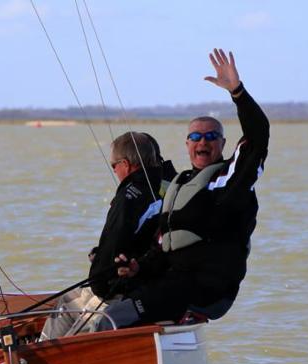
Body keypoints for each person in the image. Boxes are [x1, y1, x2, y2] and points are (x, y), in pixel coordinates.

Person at [96, 48, 270, 329]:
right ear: (187, 144)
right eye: (196, 136)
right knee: (108, 306)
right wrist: (139, 267)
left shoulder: (231, 181)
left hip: (206, 287)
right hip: (173, 282)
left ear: (223, 145)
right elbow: (165, 245)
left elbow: (258, 137)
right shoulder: (178, 185)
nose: (203, 142)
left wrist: (237, 91)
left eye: (211, 136)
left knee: (110, 321)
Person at [40, 131, 171, 339]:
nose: (114, 170)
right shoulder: (165, 187)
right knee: (68, 302)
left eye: (114, 165)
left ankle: (41, 360)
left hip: (120, 287)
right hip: (143, 279)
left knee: (69, 314)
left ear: (126, 164)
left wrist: (99, 284)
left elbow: (116, 240)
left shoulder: (128, 198)